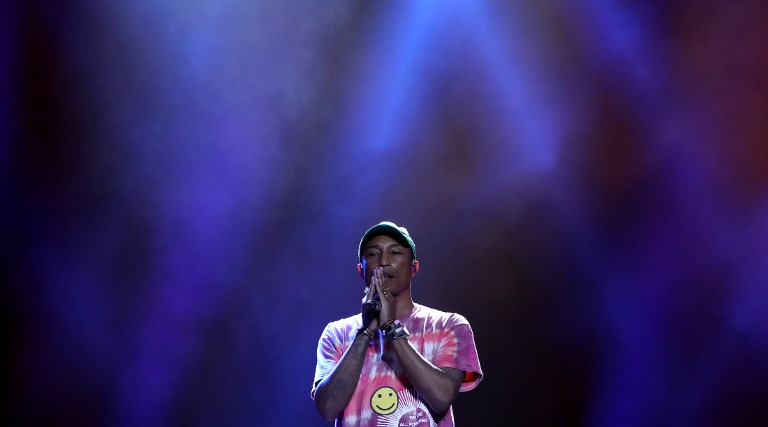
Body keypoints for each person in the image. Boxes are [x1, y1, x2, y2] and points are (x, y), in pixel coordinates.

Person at [311, 221, 483, 426]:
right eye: (373, 254)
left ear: (414, 267)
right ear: (360, 269)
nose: (383, 261)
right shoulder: (337, 334)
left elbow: (441, 398)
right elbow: (328, 409)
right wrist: (365, 332)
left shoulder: (448, 326)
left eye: (395, 253)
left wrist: (391, 327)